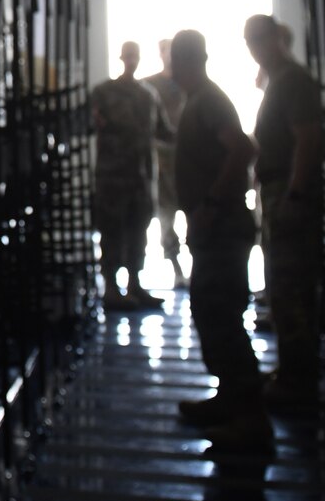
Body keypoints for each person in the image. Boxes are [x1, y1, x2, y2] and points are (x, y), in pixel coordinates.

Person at [171, 29, 272, 451]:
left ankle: (251, 420)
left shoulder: (209, 101)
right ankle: (231, 401)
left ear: (183, 62)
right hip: (216, 228)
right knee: (211, 313)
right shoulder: (199, 100)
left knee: (222, 316)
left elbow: (242, 149)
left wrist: (211, 203)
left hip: (223, 227)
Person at [244, 14, 323, 411]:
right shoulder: (278, 82)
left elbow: (306, 140)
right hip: (277, 192)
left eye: (260, 39)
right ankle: (292, 370)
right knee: (281, 285)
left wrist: (294, 193)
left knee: (291, 289)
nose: (255, 48)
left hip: (289, 196)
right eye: (250, 42)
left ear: (277, 37)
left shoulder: (292, 80)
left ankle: (299, 380)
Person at [90, 40, 162, 309]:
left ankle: (135, 283)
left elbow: (162, 130)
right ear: (121, 57)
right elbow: (91, 123)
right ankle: (110, 287)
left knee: (138, 232)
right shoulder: (104, 92)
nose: (132, 60)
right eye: (128, 55)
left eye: (135, 55)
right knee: (111, 231)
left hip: (141, 177)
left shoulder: (148, 95)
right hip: (112, 177)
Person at [143, 36, 187, 288]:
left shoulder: (189, 83)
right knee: (166, 218)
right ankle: (176, 268)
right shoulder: (150, 86)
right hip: (163, 163)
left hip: (189, 159)